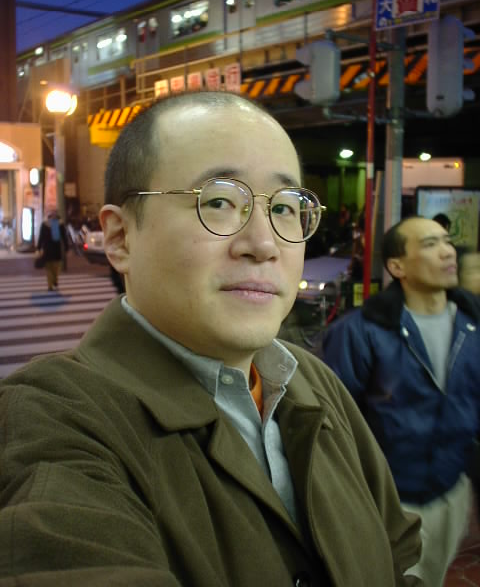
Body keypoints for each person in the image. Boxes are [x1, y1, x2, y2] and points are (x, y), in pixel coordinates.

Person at [0, 92, 422, 586]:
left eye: (285, 208)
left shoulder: (312, 382)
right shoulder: (52, 418)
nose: (264, 244)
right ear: (120, 238)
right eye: (218, 202)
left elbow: (396, 560)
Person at [322, 215, 480, 587]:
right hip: (387, 499)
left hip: (451, 491)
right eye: (430, 244)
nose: (447, 252)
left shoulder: (472, 325)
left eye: (447, 241)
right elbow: (333, 422)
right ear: (397, 267)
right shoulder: (360, 332)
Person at [36, 209, 69, 291]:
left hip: (53, 249)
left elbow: (64, 236)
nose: (54, 215)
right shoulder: (47, 224)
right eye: (53, 213)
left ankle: (54, 281)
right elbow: (41, 236)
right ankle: (51, 284)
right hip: (51, 249)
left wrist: (66, 246)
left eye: (55, 213)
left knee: (54, 268)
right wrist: (39, 247)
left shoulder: (57, 224)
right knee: (51, 268)